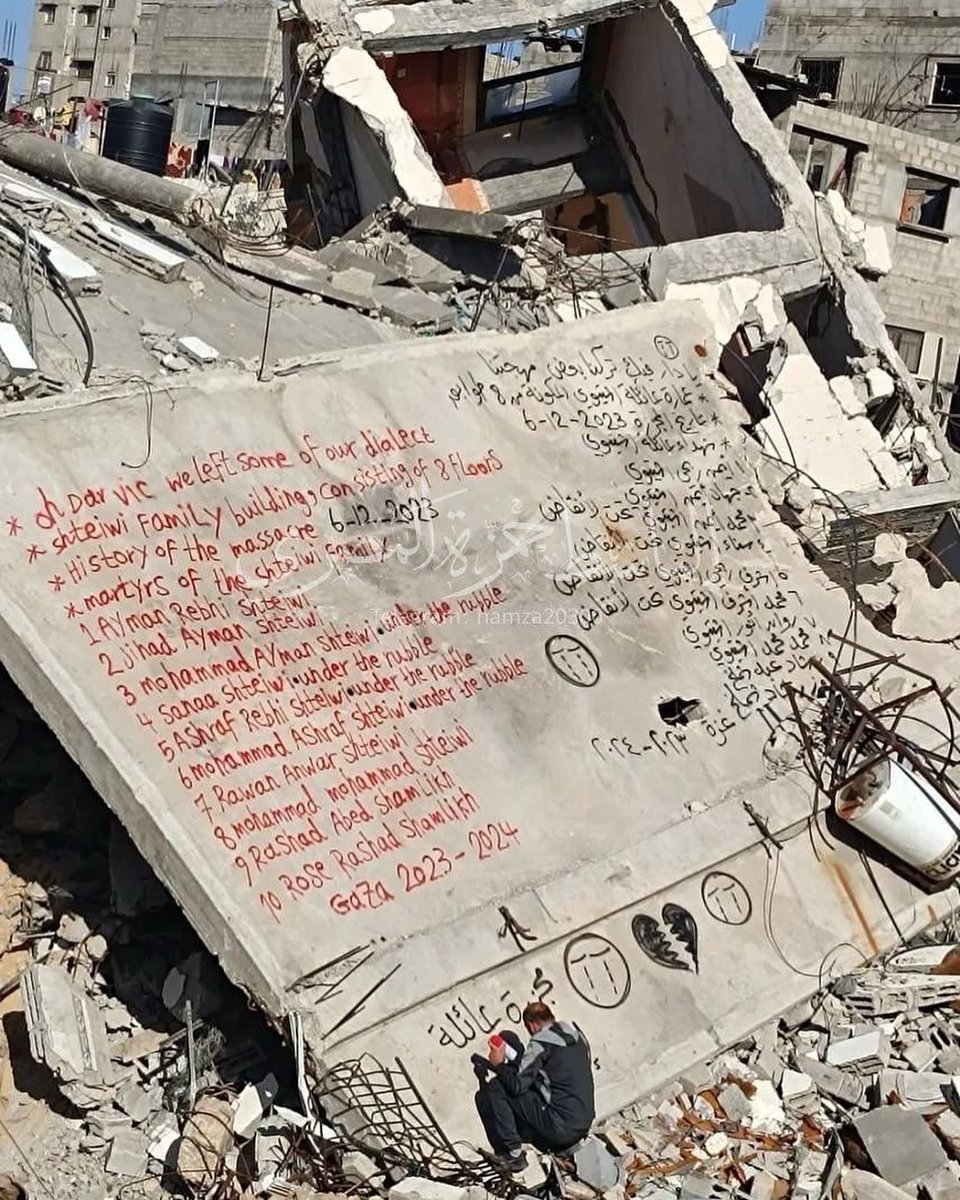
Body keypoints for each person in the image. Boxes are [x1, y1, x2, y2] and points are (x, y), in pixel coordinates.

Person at [472, 1001, 595, 1172]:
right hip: (583, 1122)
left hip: (561, 1128)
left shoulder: (540, 1043)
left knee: (496, 1087)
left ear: (531, 1025)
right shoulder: (575, 1034)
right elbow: (549, 1073)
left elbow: (516, 1087)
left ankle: (513, 1155)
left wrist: (499, 1065)